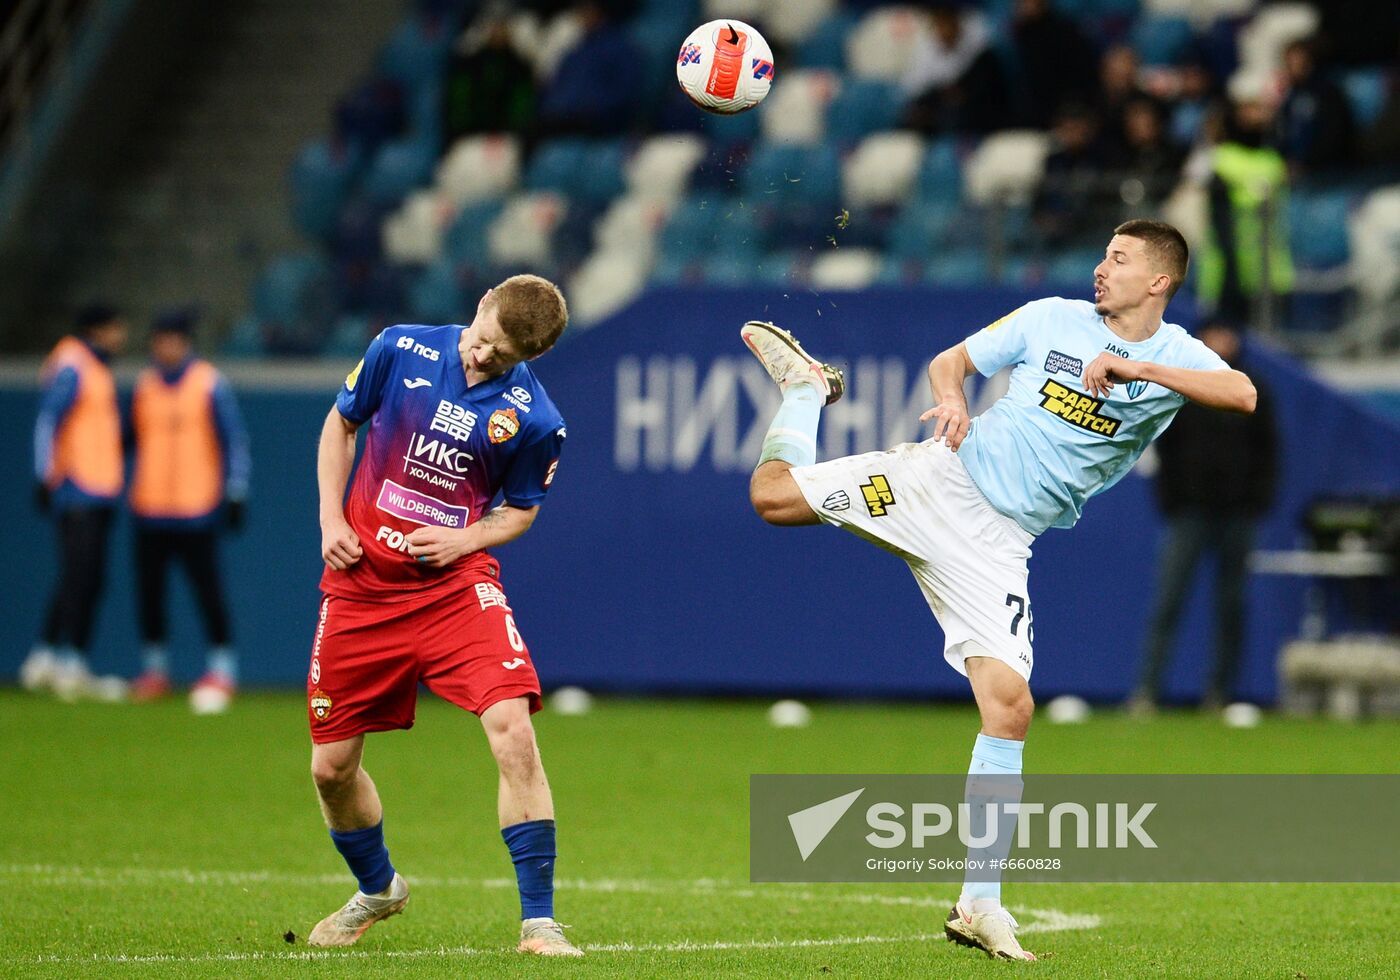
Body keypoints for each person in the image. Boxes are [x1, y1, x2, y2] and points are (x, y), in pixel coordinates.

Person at [741, 219, 1256, 961]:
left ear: (1160, 282)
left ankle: (979, 903)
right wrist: (952, 397)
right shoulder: (1053, 317)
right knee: (773, 500)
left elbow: (1240, 393)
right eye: (1103, 253)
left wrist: (1142, 371)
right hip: (941, 478)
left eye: (1119, 259)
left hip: (1000, 545)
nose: (1101, 268)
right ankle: (804, 391)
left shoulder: (1177, 355)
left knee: (1010, 708)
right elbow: (951, 361)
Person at [306, 274, 580, 956]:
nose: (485, 357)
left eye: (505, 356)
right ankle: (378, 889)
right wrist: (329, 517)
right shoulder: (399, 349)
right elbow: (341, 423)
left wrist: (465, 539)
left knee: (513, 728)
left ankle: (539, 924)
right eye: (486, 341)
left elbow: (520, 509)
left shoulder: (537, 420)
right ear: (481, 306)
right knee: (330, 769)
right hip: (361, 586)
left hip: (455, 590)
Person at [1130, 322, 1277, 714]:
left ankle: (1219, 694)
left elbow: (1269, 452)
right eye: (1213, 335)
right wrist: (1173, 501)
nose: (1221, 342)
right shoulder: (1184, 389)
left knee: (1231, 606)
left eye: (1226, 334)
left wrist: (1255, 502)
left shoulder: (1252, 386)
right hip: (1189, 512)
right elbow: (1164, 445)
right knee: (1168, 601)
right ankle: (1147, 691)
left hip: (1237, 514)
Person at [126, 309, 251, 714]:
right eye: (160, 340)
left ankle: (222, 668)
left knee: (208, 591)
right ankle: (155, 669)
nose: (166, 347)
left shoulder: (208, 384)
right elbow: (126, 440)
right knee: (151, 594)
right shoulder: (145, 386)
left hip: (197, 508)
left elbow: (234, 440)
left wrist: (235, 491)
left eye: (173, 339)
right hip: (150, 507)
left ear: (186, 343)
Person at [21, 305, 129, 701]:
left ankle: (48, 656)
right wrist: (44, 474)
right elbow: (48, 420)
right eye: (116, 327)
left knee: (82, 576)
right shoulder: (73, 364)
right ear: (98, 329)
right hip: (77, 486)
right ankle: (67, 660)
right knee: (81, 576)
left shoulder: (94, 367)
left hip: (99, 487)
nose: (122, 335)